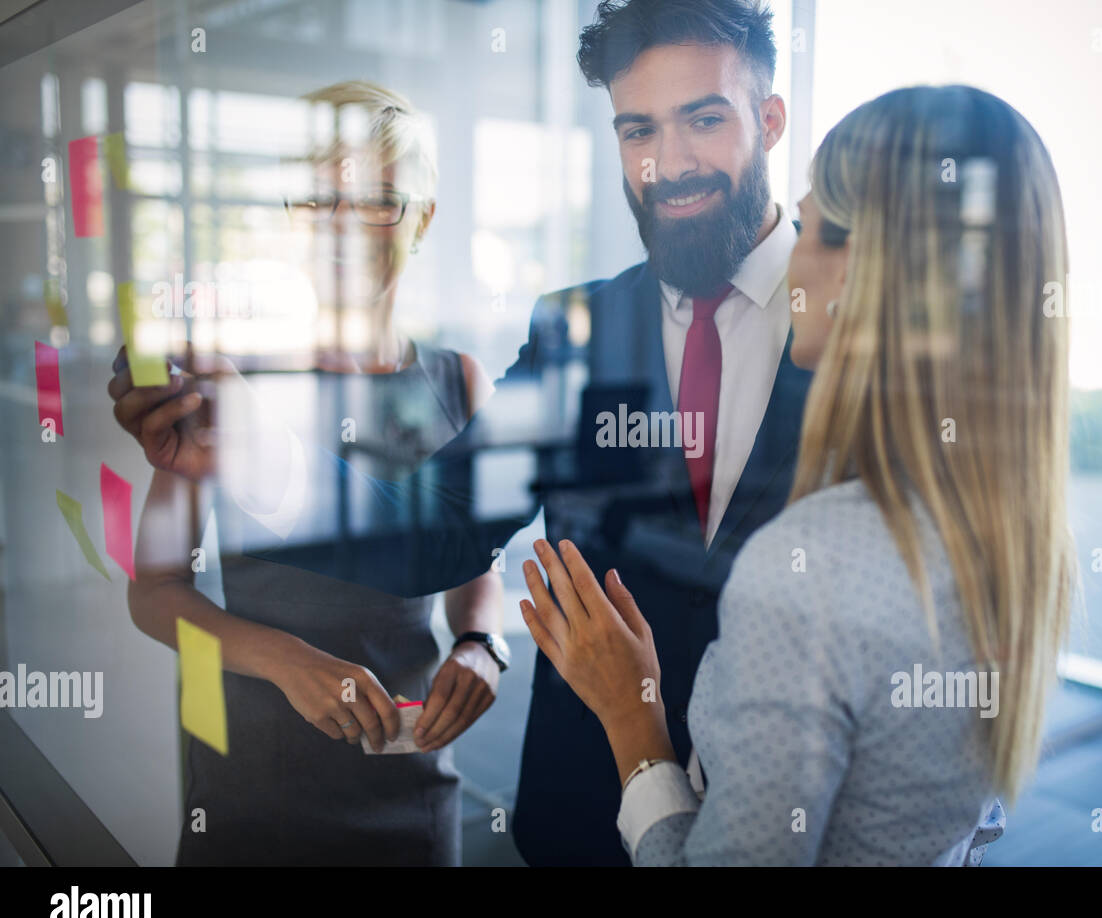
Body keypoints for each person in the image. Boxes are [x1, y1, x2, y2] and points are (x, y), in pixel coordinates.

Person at [110, 0, 813, 866]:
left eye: (704, 119)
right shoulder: (576, 334)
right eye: (638, 130)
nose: (668, 163)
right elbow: (444, 532)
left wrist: (478, 641)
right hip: (586, 823)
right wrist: (250, 452)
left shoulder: (871, 326)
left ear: (770, 120)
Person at [518, 85, 1075, 864]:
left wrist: (631, 718)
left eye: (812, 229)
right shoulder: (1015, 538)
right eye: (639, 127)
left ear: (872, 271)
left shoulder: (812, 567)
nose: (790, 255)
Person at [114, 81, 506, 865]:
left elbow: (475, 558)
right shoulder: (230, 388)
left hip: (412, 775)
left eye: (379, 201)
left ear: (423, 219)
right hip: (255, 784)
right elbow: (154, 593)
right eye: (319, 202)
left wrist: (480, 644)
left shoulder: (461, 381)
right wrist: (285, 660)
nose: (344, 229)